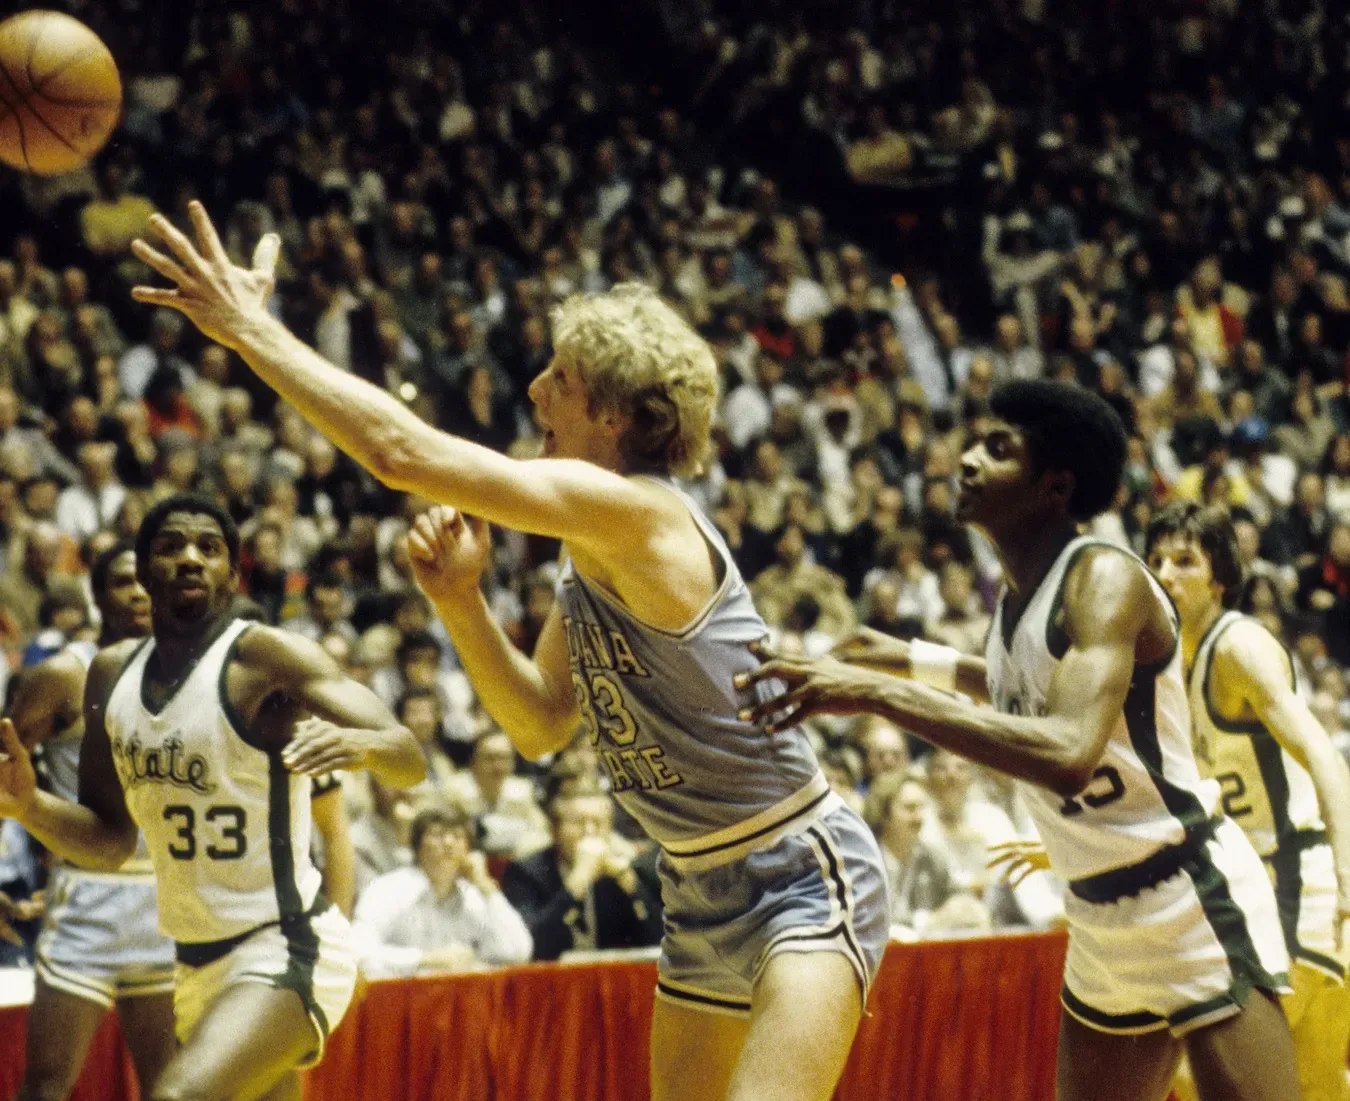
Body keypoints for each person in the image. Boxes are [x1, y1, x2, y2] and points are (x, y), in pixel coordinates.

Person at [130, 206, 889, 1101]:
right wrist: (460, 600)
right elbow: (538, 722)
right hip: (694, 883)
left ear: (608, 411)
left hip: (798, 868)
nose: (531, 391)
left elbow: (397, 450)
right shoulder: (590, 554)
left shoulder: (641, 513)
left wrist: (249, 329)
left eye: (557, 378)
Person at [739, 381, 1300, 1101]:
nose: (967, 458)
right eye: (973, 442)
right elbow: (1024, 689)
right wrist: (909, 657)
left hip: (1191, 897)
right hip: (1100, 918)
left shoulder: (1104, 578)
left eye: (998, 449)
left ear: (1053, 486)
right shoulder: (1015, 595)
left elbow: (1066, 752)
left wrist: (877, 691)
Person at [0, 494, 426, 1101]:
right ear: (146, 572)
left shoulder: (266, 656)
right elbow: (110, 841)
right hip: (193, 963)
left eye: (210, 547)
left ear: (232, 571)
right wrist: (30, 809)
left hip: (286, 942)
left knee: (175, 1097)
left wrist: (363, 743)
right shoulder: (110, 675)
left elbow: (409, 757)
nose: (191, 558)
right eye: (170, 546)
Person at [1147, 502, 1350, 1101]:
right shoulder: (1161, 671)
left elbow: (1324, 755)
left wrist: (1347, 867)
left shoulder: (1237, 647)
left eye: (1184, 560)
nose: (1163, 573)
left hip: (1298, 886)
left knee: (1213, 1078)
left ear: (1220, 580)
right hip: (1244, 893)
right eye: (1154, 559)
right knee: (1310, 1088)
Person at [3, 542, 176, 1101]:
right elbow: (9, 771)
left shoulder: (187, 674)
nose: (140, 593)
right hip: (87, 893)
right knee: (48, 1083)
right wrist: (47, 825)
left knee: (172, 1088)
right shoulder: (62, 674)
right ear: (97, 594)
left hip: (167, 898)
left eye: (150, 581)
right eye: (125, 581)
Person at [351, 804, 533, 978]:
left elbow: (518, 951)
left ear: (468, 849)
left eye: (457, 836)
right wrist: (425, 959)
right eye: (437, 835)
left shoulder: (474, 896)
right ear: (417, 846)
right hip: (403, 1001)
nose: (448, 843)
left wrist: (485, 886)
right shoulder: (386, 890)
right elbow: (358, 953)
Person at [503, 787, 663, 961]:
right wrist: (577, 881)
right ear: (554, 830)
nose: (589, 831)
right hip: (551, 982)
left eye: (598, 823)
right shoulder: (525, 872)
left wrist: (631, 885)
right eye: (578, 823)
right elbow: (532, 948)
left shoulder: (621, 872)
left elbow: (659, 941)